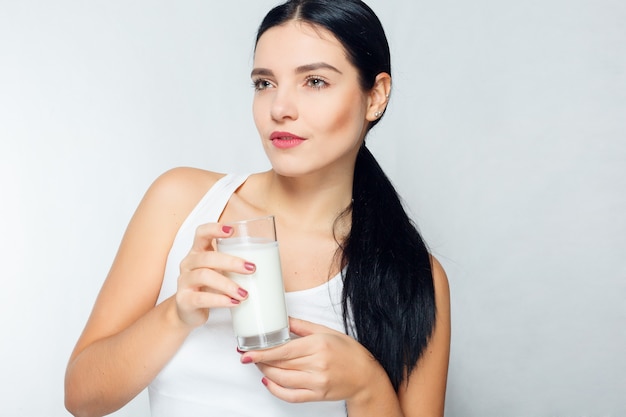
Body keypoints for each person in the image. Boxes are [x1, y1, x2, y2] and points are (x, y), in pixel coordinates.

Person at [64, 0, 451, 416]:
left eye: (315, 81)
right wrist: (176, 313)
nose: (279, 108)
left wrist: (366, 384)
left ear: (376, 96)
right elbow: (82, 398)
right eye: (265, 83)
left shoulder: (411, 274)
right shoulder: (183, 203)